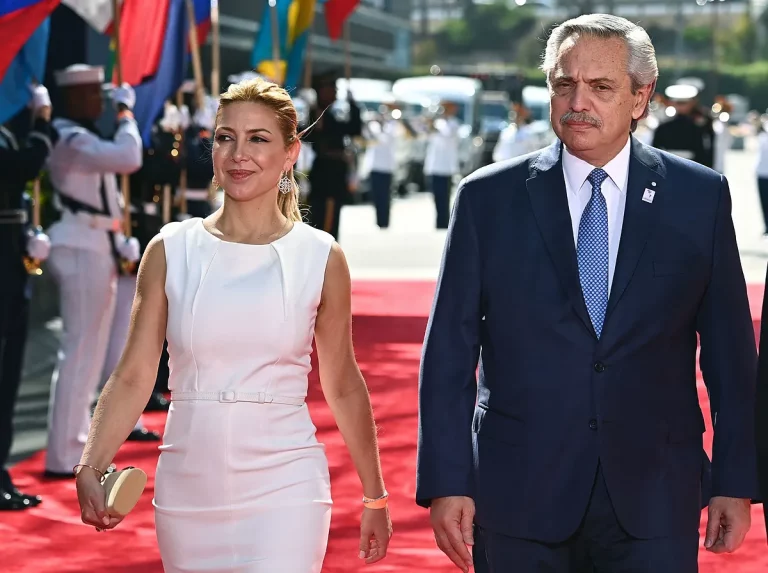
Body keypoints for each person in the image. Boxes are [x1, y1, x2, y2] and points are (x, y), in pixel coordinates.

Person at [417, 14, 758, 573]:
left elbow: (730, 355)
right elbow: (448, 354)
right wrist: (447, 479)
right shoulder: (486, 199)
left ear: (640, 97)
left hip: (656, 492)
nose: (578, 102)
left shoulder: (699, 197)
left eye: (600, 87)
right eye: (564, 84)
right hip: (518, 491)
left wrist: (735, 480)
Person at [74, 77, 392, 571]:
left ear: (290, 153)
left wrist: (375, 496)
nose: (238, 154)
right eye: (226, 137)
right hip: (187, 488)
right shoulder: (170, 249)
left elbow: (343, 382)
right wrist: (91, 463)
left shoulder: (319, 255)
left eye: (258, 138)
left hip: (287, 485)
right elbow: (134, 374)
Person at [43, 64, 142, 477]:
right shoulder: (69, 137)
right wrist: (125, 115)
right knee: (80, 352)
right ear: (71, 97)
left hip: (96, 242)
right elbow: (129, 157)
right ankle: (64, 453)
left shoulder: (81, 136)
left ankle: (78, 441)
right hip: (79, 244)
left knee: (92, 351)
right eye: (91, 94)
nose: (98, 101)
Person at [0, 85, 56, 509]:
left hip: (10, 268)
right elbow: (24, 166)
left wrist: (25, 233)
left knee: (9, 375)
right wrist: (41, 123)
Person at [304, 72, 362, 240]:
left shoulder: (328, 113)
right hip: (326, 173)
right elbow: (312, 135)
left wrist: (353, 105)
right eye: (331, 89)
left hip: (335, 172)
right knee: (323, 220)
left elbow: (353, 129)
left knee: (331, 217)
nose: (335, 93)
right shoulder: (316, 113)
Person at [652, 84, 714, 168]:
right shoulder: (663, 126)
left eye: (683, 103)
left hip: (690, 166)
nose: (681, 107)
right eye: (679, 103)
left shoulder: (700, 125)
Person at [424, 101, 460, 229]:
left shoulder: (453, 123)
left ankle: (444, 222)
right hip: (434, 166)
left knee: (445, 197)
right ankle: (439, 222)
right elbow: (426, 135)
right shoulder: (438, 123)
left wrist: (435, 123)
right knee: (436, 196)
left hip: (446, 167)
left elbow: (447, 135)